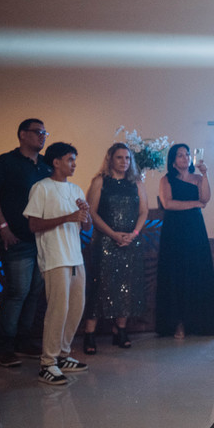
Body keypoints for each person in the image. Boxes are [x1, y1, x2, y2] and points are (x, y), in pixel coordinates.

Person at [23, 141, 92, 386]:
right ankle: (47, 363)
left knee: (76, 308)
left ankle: (63, 355)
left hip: (75, 257)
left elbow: (86, 226)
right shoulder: (41, 188)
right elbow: (33, 225)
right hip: (54, 257)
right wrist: (68, 217)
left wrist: (85, 214)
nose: (74, 164)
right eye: (70, 159)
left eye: (74, 160)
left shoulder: (75, 189)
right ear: (56, 162)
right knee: (57, 311)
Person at [0, 119, 52, 368]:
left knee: (34, 291)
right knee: (18, 291)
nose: (42, 136)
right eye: (38, 132)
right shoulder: (5, 162)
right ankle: (4, 346)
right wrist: (3, 226)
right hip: (15, 237)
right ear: (22, 135)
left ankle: (23, 341)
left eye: (45, 132)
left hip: (43, 239)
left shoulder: (47, 165)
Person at [82, 142, 148, 354]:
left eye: (127, 158)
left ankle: (120, 330)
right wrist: (112, 234)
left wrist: (133, 234)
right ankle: (89, 333)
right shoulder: (100, 181)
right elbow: (92, 212)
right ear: (110, 159)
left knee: (127, 286)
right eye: (120, 157)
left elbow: (144, 212)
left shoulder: (137, 183)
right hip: (105, 241)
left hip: (130, 241)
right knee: (99, 286)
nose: (124, 162)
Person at [155, 144, 214, 338]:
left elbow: (205, 198)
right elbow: (168, 203)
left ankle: (207, 324)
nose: (185, 158)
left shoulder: (198, 178)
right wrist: (194, 203)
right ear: (173, 160)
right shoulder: (166, 179)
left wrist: (205, 174)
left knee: (199, 271)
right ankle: (178, 323)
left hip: (195, 228)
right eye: (180, 155)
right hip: (174, 230)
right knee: (177, 274)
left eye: (187, 154)